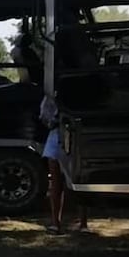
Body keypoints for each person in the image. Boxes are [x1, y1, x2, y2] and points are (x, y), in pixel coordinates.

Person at [40, 94, 88, 233]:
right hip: (58, 135)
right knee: (57, 182)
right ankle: (56, 222)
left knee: (79, 180)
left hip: (75, 134)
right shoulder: (52, 94)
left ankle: (82, 223)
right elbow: (45, 117)